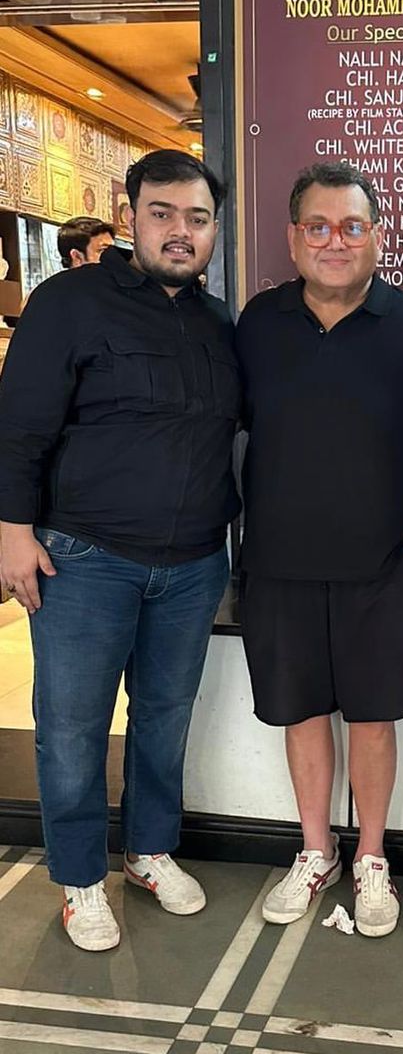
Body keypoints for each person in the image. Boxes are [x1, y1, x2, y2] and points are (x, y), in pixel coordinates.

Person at [0, 150, 239, 952]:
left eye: (197, 218)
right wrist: (11, 532)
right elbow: (18, 427)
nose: (180, 231)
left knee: (165, 718)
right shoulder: (68, 302)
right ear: (130, 216)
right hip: (84, 560)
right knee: (71, 726)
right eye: (163, 213)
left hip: (193, 564)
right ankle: (78, 879)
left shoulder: (218, 323)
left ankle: (148, 852)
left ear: (214, 229)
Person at [235, 162, 403, 938]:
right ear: (293, 238)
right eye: (318, 226)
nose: (335, 241)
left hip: (384, 563)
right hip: (279, 559)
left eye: (353, 226)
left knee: (374, 717)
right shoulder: (258, 322)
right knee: (301, 713)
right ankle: (316, 851)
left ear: (377, 236)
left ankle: (372, 858)